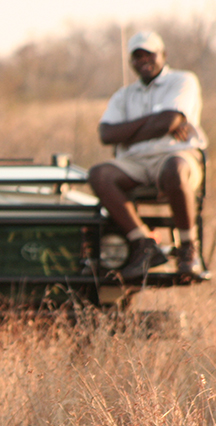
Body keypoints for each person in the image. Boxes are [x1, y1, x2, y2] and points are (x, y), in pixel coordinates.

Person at [88, 31, 208, 278]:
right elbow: (106, 134)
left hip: (176, 154)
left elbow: (169, 120)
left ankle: (188, 248)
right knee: (99, 174)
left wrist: (130, 130)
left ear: (162, 55)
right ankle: (143, 242)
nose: (144, 60)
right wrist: (155, 122)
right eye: (137, 56)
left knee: (175, 170)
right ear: (131, 61)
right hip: (136, 161)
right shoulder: (124, 95)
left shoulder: (183, 80)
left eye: (149, 54)